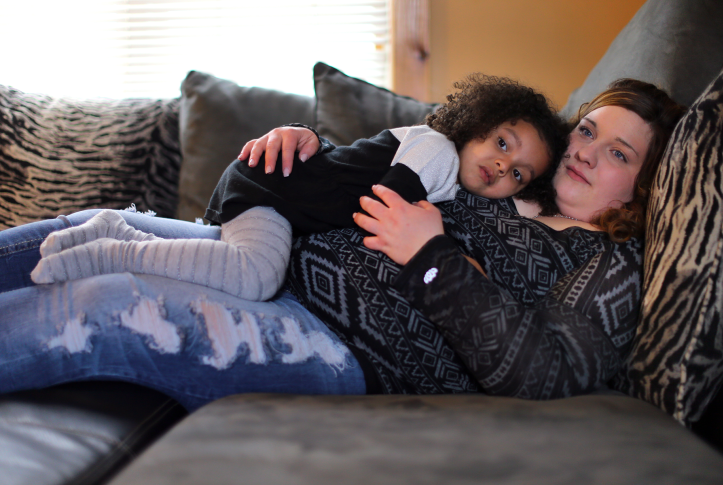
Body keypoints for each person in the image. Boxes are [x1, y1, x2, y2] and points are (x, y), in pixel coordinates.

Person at [0, 79, 685, 409]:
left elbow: (544, 374)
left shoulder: (608, 266)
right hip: (271, 259)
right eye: (590, 129)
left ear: (642, 187)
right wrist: (306, 152)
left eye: (618, 151)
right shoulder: (514, 182)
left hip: (335, 342)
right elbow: (393, 169)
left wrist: (433, 260)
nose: (588, 150)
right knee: (80, 224)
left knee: (106, 304)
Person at [27, 75, 567, 302]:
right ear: (478, 123)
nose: (503, 167)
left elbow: (523, 212)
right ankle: (108, 252)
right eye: (502, 143)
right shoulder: (436, 151)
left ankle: (115, 225)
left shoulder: (455, 182)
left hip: (282, 199)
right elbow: (381, 214)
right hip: (275, 188)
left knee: (226, 259)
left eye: (519, 172)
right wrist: (445, 258)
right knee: (256, 275)